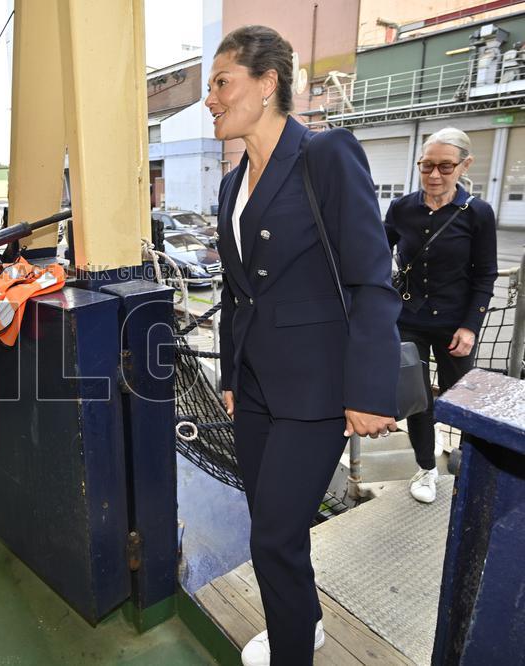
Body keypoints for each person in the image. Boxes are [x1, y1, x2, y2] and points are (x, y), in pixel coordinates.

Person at [207, 26, 401, 665]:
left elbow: (371, 278)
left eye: (221, 83)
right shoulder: (233, 184)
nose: (211, 99)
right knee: (269, 518)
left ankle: (293, 650)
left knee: (273, 534)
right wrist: (232, 376)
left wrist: (370, 390)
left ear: (266, 85)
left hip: (319, 390)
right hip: (258, 386)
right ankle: (306, 620)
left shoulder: (326, 155)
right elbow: (239, 295)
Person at [385, 128, 498, 504]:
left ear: (464, 165)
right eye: (427, 166)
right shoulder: (401, 208)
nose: (435, 175)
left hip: (455, 325)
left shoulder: (478, 213)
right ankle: (426, 467)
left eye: (445, 166)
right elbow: (373, 254)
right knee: (417, 399)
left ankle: (468, 462)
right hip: (409, 321)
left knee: (464, 400)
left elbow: (485, 275)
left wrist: (471, 326)